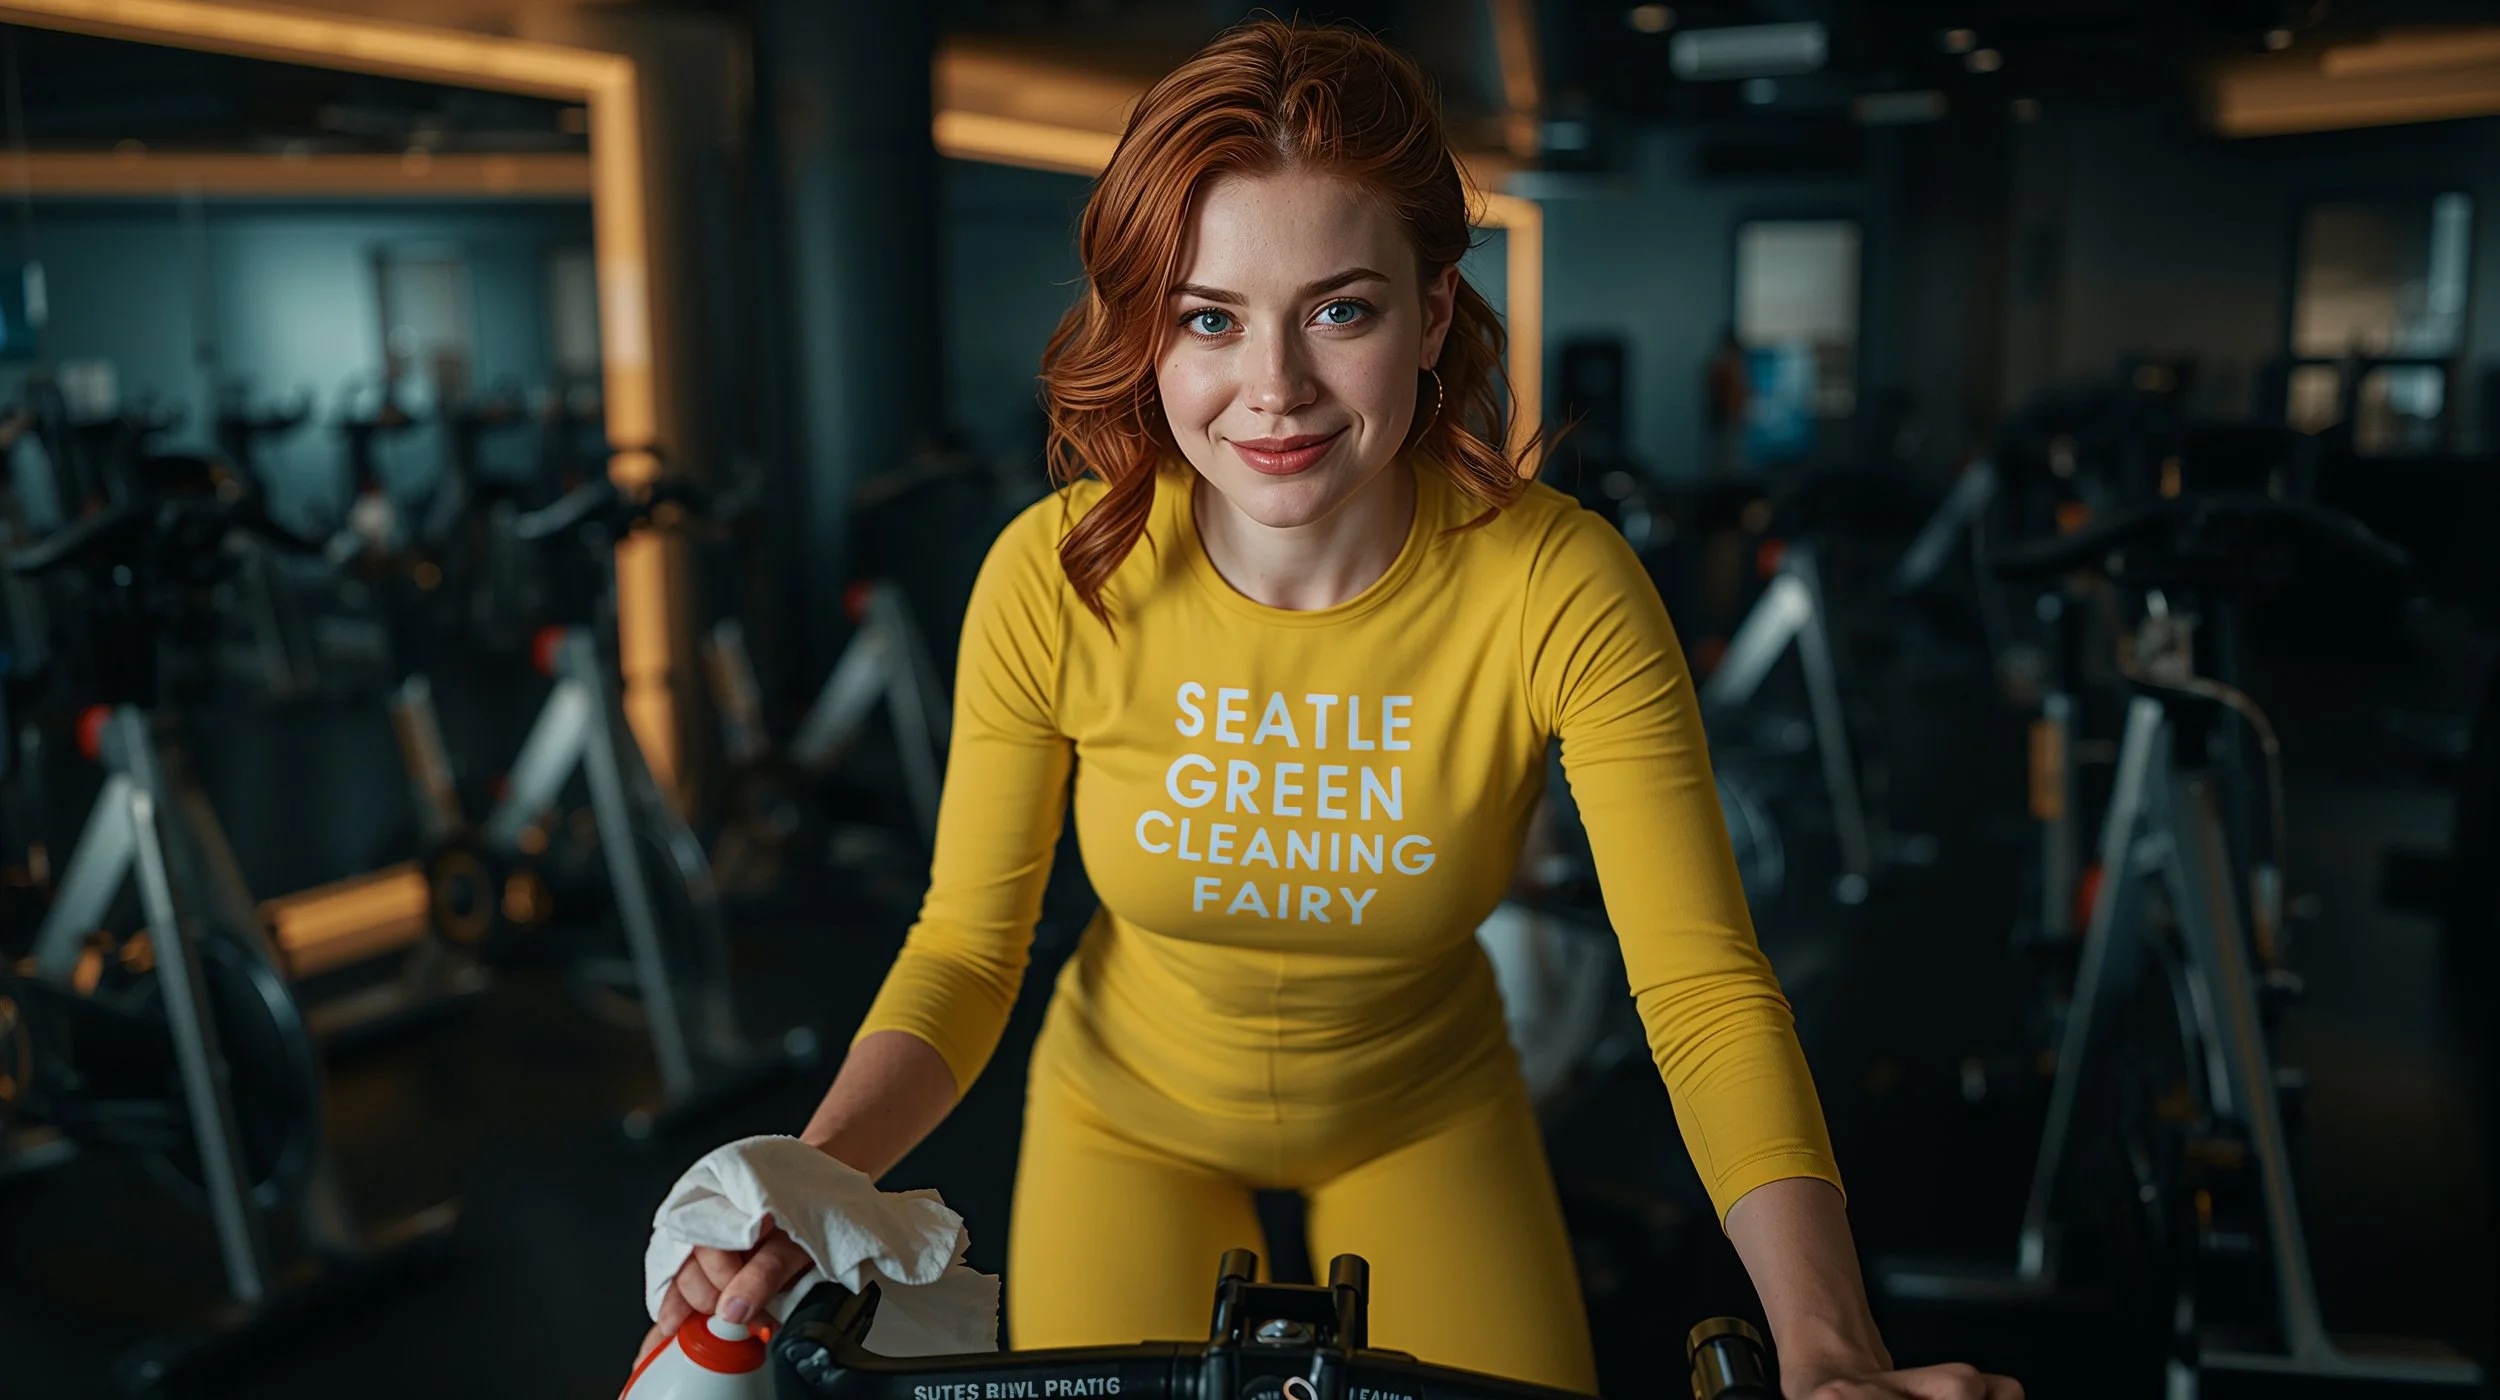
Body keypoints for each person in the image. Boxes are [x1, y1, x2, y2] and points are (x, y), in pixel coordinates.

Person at [643, 21, 2020, 1400]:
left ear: (1434, 312)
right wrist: (809, 1183)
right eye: (1209, 318)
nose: (1276, 390)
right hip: (1126, 1118)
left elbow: (1701, 988)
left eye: (1340, 311)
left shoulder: (1556, 585)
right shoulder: (1056, 575)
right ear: (1149, 334)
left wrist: (1831, 1353)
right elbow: (964, 951)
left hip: (1425, 1111)